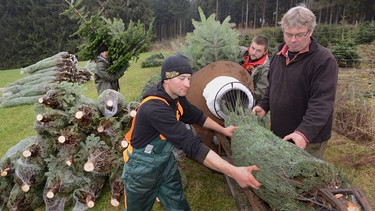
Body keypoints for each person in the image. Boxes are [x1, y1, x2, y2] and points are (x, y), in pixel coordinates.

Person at [122, 54, 261, 210]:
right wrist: (234, 171)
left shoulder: (175, 95)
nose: (187, 84)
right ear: (166, 79)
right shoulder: (155, 108)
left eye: (189, 78)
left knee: (178, 203)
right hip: (141, 168)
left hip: (165, 162)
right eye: (182, 78)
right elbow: (192, 146)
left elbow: (196, 115)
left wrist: (223, 130)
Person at [252, 4, 338, 160]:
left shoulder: (324, 60)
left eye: (299, 35)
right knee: (282, 173)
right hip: (279, 132)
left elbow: (322, 104)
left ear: (310, 31)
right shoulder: (278, 56)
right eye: (288, 34)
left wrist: (303, 133)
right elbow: (273, 87)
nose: (292, 40)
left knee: (304, 180)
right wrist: (264, 105)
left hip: (308, 139)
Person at [241, 35, 270, 103]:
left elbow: (259, 93)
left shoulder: (265, 69)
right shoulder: (243, 54)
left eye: (258, 51)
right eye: (253, 48)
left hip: (246, 100)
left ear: (265, 52)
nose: (254, 53)